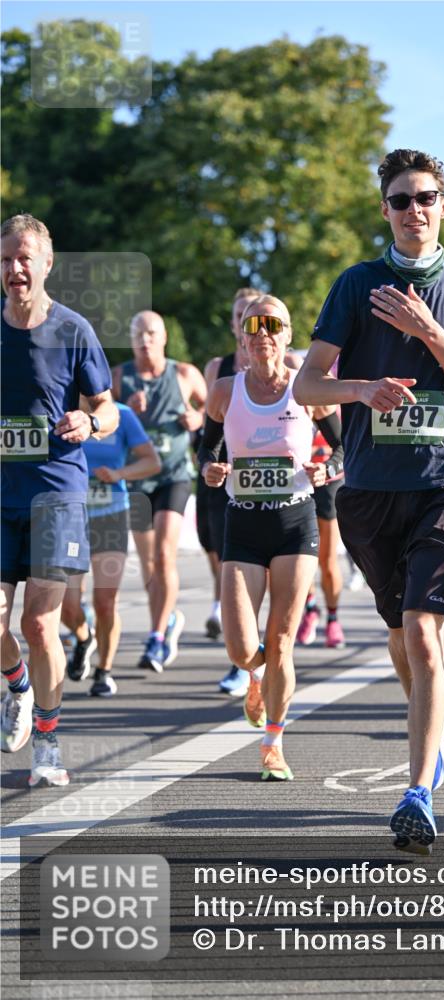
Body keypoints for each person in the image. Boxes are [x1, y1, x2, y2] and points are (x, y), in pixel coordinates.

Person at [294, 148, 444, 853]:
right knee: (396, 632)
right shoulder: (355, 285)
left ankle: (417, 792)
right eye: (401, 199)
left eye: (427, 197)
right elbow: (306, 386)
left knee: (420, 623)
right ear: (384, 209)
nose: (415, 209)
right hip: (372, 489)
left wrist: (427, 333)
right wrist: (359, 390)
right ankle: (430, 721)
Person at [199, 294, 343, 781]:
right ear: (241, 335)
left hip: (294, 521)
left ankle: (273, 743)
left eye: (272, 325)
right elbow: (207, 449)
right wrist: (212, 469)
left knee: (280, 640)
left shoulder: (306, 389)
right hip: (242, 522)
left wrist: (327, 470)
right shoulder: (223, 390)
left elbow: (343, 450)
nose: (262, 333)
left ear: (287, 333)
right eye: (253, 325)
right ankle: (254, 677)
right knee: (241, 648)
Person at [1, 213, 118, 785]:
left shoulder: (74, 330)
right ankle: (18, 686)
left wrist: (89, 421)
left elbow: (109, 409)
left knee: (41, 623)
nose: (14, 269)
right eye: (6, 259)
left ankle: (47, 742)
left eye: (25, 258)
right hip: (0, 495)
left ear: (47, 264)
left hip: (55, 492)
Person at [112, 311, 207, 672]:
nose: (145, 339)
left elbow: (215, 408)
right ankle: (167, 620)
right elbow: (96, 418)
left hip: (174, 475)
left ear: (164, 337)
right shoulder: (120, 377)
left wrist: (197, 419)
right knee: (150, 563)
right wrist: (123, 412)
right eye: (138, 333)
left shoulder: (183, 374)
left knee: (165, 556)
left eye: (151, 332)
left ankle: (155, 638)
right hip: (137, 479)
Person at [61, 402, 161, 696]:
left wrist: (120, 474)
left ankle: (104, 671)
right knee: (67, 607)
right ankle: (83, 638)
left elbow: (151, 461)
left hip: (111, 514)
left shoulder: (120, 415)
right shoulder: (56, 412)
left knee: (105, 601)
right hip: (69, 517)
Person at [195, 288, 260, 654]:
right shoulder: (217, 369)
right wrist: (208, 463)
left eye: (250, 314)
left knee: (257, 557)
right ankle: (227, 606)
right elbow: (211, 424)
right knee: (216, 545)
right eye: (238, 315)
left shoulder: (288, 369)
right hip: (222, 472)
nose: (243, 322)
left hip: (268, 478)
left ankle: (243, 625)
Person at [296, 408, 346, 649]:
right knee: (299, 556)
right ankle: (310, 607)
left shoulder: (338, 380)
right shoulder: (285, 377)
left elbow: (343, 441)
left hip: (328, 480)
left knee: (327, 561)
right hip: (296, 478)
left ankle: (333, 619)